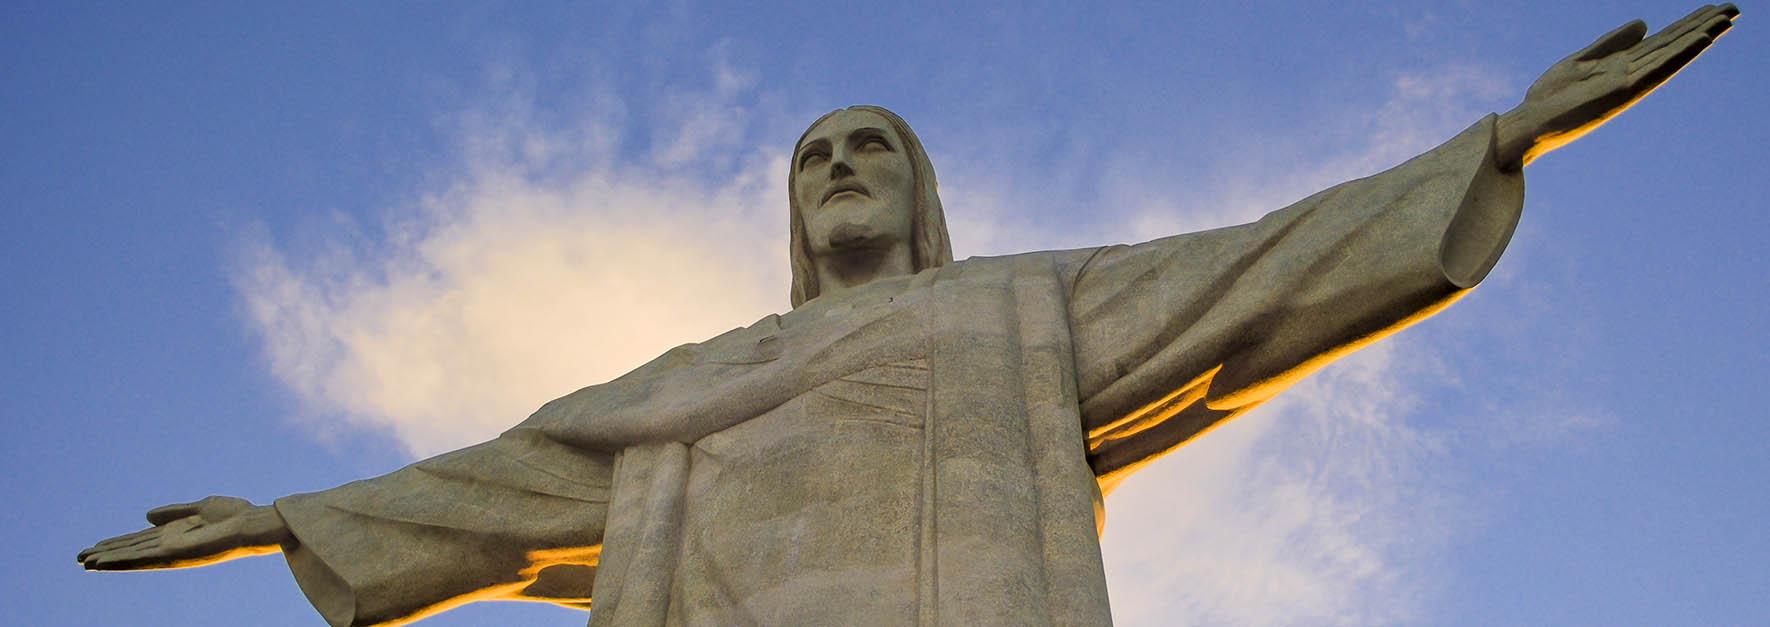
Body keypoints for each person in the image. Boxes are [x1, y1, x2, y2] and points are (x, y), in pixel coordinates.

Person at [78, 6, 1739, 626]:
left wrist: (1501, 137)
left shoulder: (1025, 310)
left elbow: (1260, 273)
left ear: (922, 195)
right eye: (812, 156)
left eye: (870, 146)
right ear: (791, 213)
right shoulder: (694, 380)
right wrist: (287, 514)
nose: (839, 167)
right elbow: (504, 483)